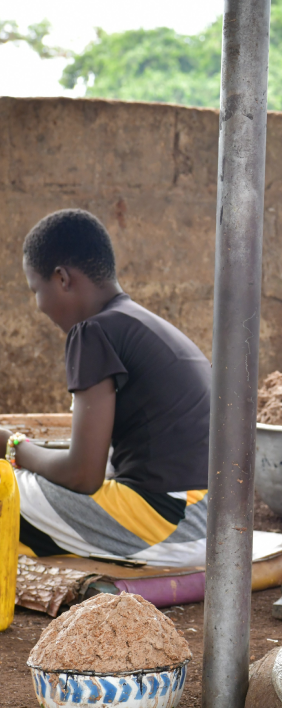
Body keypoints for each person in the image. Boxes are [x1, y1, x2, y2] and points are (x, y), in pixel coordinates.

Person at [3, 209, 212, 568]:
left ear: (62, 279)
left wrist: (13, 445)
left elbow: (84, 476)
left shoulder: (92, 332)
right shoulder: (138, 321)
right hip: (211, 519)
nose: (39, 307)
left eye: (36, 289)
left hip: (166, 524)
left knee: (6, 489)